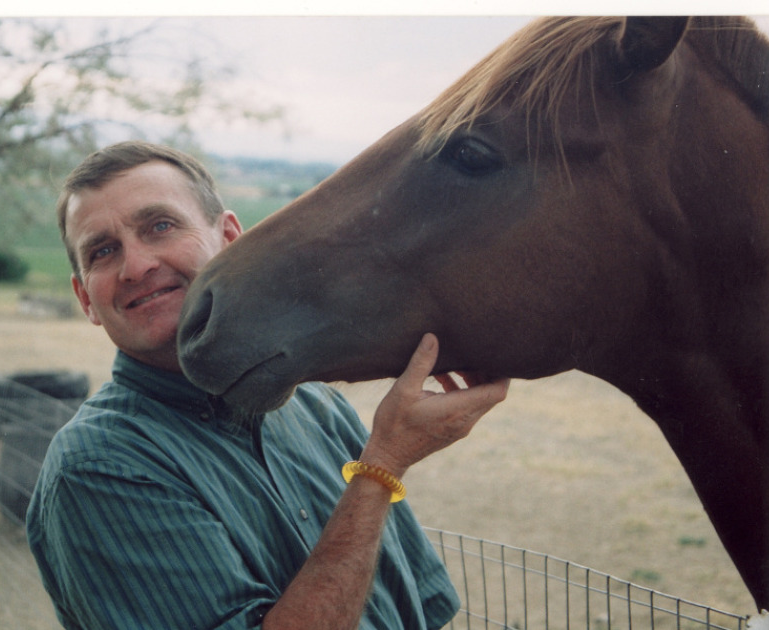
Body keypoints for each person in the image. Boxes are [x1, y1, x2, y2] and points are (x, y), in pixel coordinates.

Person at [26, 140, 509, 629]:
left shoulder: (317, 405)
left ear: (231, 238)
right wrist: (382, 465)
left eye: (160, 226)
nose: (136, 266)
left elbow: (421, 608)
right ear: (85, 297)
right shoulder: (98, 468)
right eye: (103, 251)